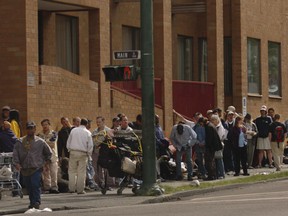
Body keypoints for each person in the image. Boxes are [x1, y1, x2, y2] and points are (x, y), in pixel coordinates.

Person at [13, 121, 52, 209]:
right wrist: (17, 163)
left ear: (35, 129)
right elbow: (15, 153)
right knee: (29, 186)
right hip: (25, 168)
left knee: (35, 185)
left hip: (36, 168)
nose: (30, 130)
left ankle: (37, 202)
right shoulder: (20, 142)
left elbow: (49, 153)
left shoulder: (40, 142)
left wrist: (46, 163)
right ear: (26, 130)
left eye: (32, 128)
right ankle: (32, 202)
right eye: (29, 128)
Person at [66, 118, 93, 194]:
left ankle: (71, 188)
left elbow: (68, 141)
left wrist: (69, 149)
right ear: (87, 124)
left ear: (80, 123)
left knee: (71, 171)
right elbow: (90, 145)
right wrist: (89, 154)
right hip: (83, 153)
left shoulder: (73, 130)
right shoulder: (88, 132)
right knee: (81, 172)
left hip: (73, 151)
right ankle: (80, 189)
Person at [37, 119, 59, 194]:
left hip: (52, 155)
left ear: (49, 125)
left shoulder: (54, 133)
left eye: (46, 124)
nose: (45, 126)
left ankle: (54, 187)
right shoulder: (39, 135)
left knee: (53, 172)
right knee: (45, 172)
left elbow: (52, 143)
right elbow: (38, 145)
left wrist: (43, 143)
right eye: (43, 125)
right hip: (43, 156)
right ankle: (47, 187)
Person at [92, 116, 113, 188]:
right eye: (97, 122)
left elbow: (111, 142)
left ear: (103, 122)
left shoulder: (108, 130)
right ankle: (99, 183)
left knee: (107, 168)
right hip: (96, 152)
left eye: (99, 122)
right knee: (97, 168)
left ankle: (108, 184)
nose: (98, 123)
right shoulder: (94, 131)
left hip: (106, 153)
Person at [210, 114, 226, 179]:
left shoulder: (220, 127)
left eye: (213, 120)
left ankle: (222, 173)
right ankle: (217, 173)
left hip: (219, 145)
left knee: (219, 159)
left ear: (216, 120)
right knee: (216, 160)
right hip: (215, 145)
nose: (212, 121)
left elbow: (219, 137)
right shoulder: (214, 127)